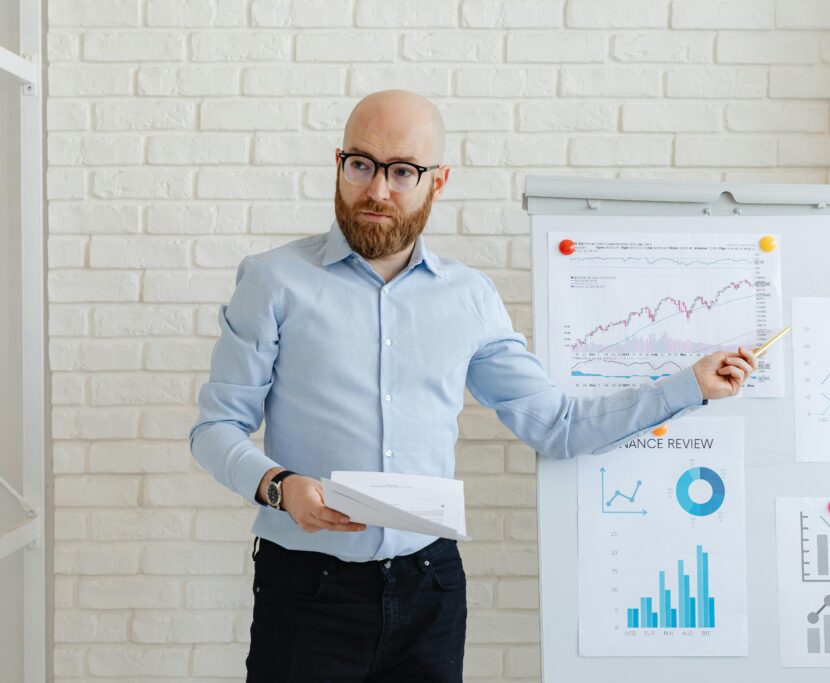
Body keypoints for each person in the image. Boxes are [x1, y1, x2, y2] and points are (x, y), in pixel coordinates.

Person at [189, 89, 757, 683]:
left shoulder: (470, 298)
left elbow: (556, 426)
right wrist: (279, 487)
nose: (377, 190)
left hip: (430, 587)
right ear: (339, 162)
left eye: (402, 171)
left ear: (438, 181)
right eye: (360, 164)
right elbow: (216, 428)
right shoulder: (274, 280)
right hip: (308, 589)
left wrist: (686, 387)